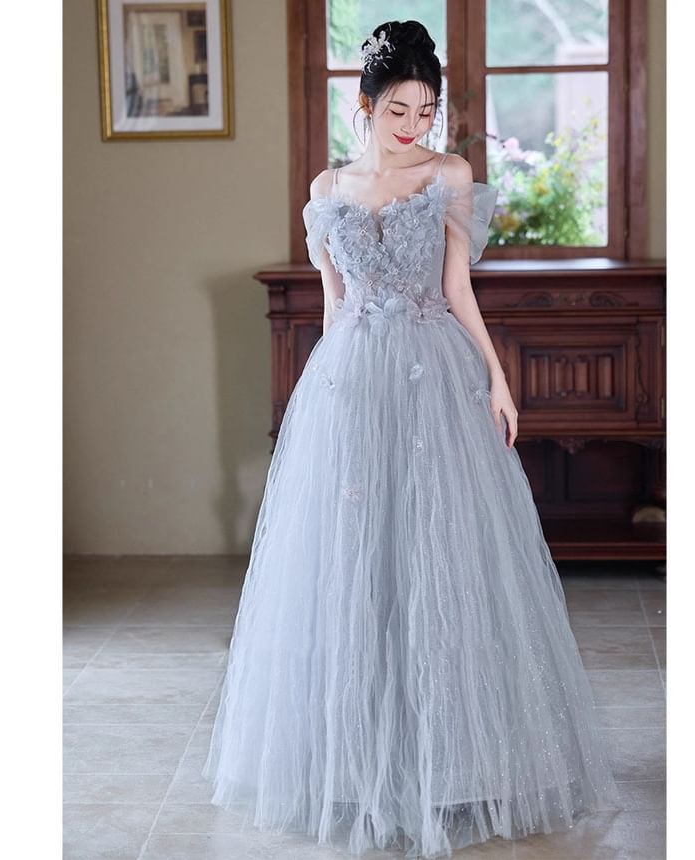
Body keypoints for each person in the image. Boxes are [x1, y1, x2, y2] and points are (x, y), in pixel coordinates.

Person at [202, 19, 622, 859]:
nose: (413, 126)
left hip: (436, 376)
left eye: (426, 110)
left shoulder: (449, 176)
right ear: (363, 107)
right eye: (398, 109)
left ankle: (460, 760)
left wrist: (499, 378)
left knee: (445, 559)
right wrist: (321, 398)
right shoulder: (328, 188)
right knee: (353, 562)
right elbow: (333, 304)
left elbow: (459, 289)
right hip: (353, 379)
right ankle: (359, 763)